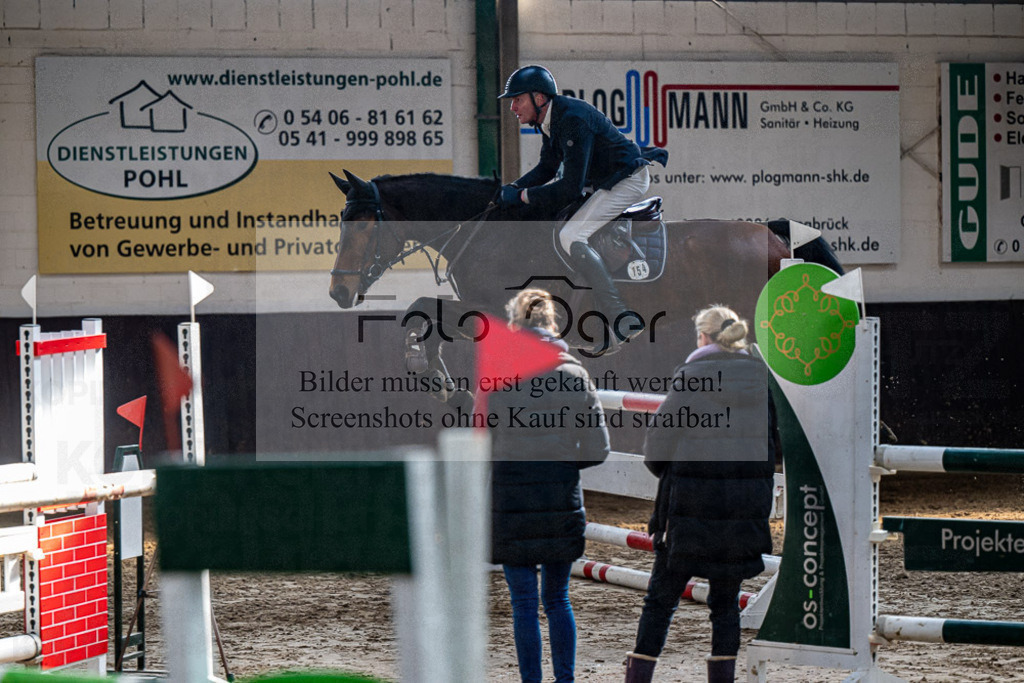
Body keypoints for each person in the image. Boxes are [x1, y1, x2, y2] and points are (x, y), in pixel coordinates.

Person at [625, 305, 781, 683]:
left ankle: (639, 677)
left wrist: (678, 474)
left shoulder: (691, 377)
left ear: (705, 337)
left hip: (688, 511)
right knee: (725, 603)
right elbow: (774, 449)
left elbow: (656, 446)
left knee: (660, 600)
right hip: (741, 512)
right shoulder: (762, 380)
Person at [488, 288, 611, 683]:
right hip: (560, 500)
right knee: (558, 600)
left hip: (511, 501)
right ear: (553, 325)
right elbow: (598, 450)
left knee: (523, 603)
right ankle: (565, 680)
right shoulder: (575, 375)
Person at [496, 65, 668, 345]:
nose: (513, 107)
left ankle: (621, 315)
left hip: (626, 180)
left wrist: (524, 197)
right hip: (601, 179)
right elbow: (547, 168)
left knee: (572, 235)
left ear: (539, 98)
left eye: (517, 99)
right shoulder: (552, 119)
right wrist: (513, 188)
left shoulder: (572, 118)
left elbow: (569, 188)